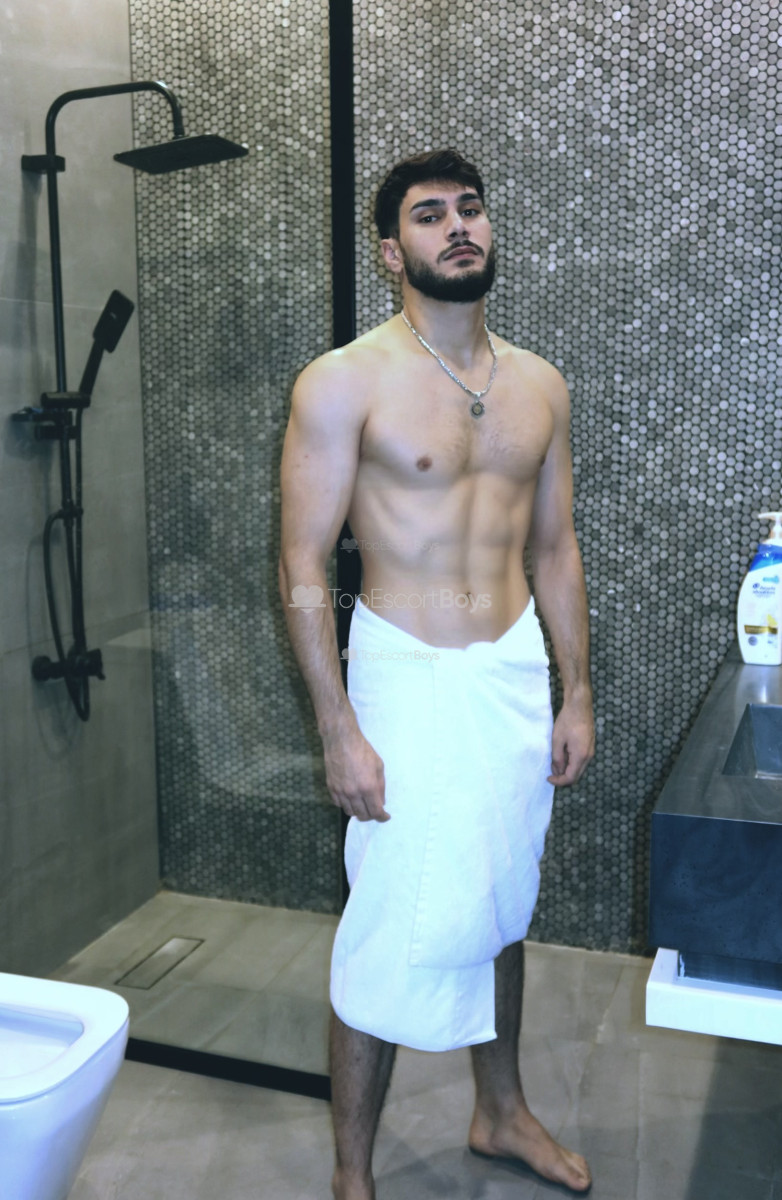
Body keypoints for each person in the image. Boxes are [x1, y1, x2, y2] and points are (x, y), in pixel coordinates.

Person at [279, 148, 595, 1200]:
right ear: (390, 250)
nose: (457, 226)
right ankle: (352, 1172)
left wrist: (575, 690)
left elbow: (554, 548)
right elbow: (301, 563)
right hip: (404, 676)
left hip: (508, 672)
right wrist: (337, 728)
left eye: (470, 208)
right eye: (428, 215)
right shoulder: (343, 381)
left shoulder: (539, 385)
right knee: (388, 922)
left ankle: (499, 1112)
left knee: (500, 892)